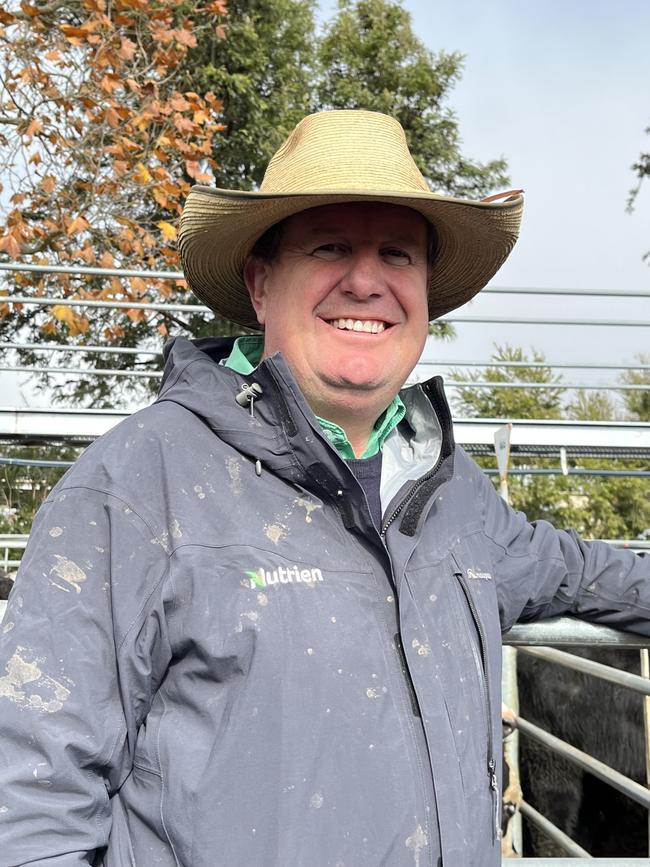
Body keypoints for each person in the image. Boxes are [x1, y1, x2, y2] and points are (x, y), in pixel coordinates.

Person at [0, 109, 648, 867]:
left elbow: (586, 571)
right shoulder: (138, 484)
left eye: (398, 254)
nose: (367, 280)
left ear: (426, 295)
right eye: (331, 246)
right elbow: (32, 805)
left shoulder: (455, 497)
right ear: (260, 281)